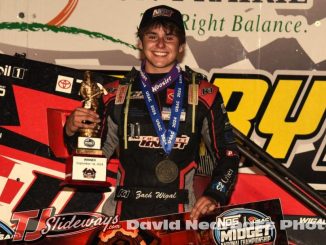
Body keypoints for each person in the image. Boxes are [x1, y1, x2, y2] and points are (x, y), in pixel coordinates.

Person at [64, 5, 239, 221]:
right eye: (152, 36)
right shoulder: (114, 93)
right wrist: (72, 131)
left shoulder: (203, 93)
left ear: (181, 46)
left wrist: (215, 193)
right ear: (140, 42)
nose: (160, 44)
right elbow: (95, 154)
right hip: (122, 216)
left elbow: (229, 153)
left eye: (170, 37)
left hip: (180, 214)